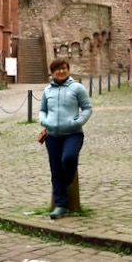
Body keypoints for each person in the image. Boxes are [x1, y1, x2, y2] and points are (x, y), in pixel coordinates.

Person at [38, 58, 92, 220]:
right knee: (55, 171)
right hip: (52, 136)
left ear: (68, 69)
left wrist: (78, 122)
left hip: (73, 134)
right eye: (57, 69)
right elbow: (43, 110)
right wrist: (44, 121)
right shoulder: (47, 90)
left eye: (63, 68)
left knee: (69, 159)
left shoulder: (77, 88)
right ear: (52, 72)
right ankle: (61, 205)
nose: (61, 71)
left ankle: (67, 181)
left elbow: (87, 108)